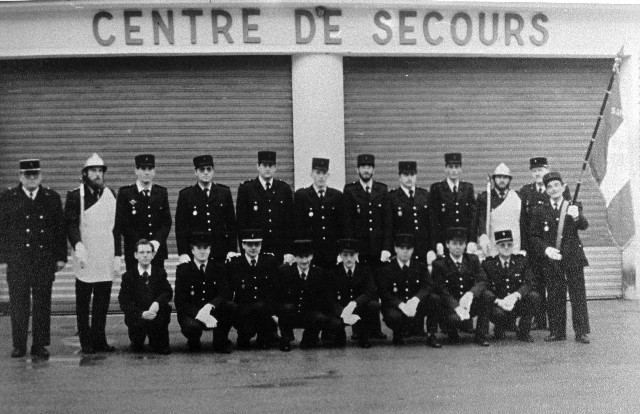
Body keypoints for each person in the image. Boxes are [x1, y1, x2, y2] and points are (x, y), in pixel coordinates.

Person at [0, 159, 67, 359]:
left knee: (42, 304)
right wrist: (3, 259)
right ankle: (19, 345)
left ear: (40, 176)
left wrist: (61, 257)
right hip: (18, 261)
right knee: (18, 304)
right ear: (20, 176)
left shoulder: (51, 197)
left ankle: (39, 345)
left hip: (43, 261)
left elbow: (59, 229)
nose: (31, 179)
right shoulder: (8, 197)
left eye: (35, 175)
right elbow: (2, 230)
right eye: (27, 175)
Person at [65, 153, 119, 354]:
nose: (97, 175)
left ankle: (100, 339)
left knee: (102, 300)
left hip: (105, 253)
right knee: (83, 301)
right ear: (85, 173)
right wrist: (77, 243)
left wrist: (118, 255)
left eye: (100, 171)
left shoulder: (110, 195)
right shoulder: (75, 195)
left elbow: (116, 228)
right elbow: (70, 223)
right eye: (93, 171)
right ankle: (86, 341)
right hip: (85, 255)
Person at [529, 172, 590, 344]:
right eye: (549, 186)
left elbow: (584, 226)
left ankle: (581, 332)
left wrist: (577, 216)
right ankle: (557, 331)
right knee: (555, 294)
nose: (553, 189)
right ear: (546, 190)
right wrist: (546, 249)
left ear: (563, 187)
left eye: (557, 185)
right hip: (552, 258)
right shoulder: (540, 210)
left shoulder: (572, 204)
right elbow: (533, 236)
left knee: (578, 294)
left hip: (573, 256)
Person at [342, 153, 392, 340]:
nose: (366, 170)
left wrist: (387, 248)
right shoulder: (350, 191)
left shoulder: (382, 190)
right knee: (360, 289)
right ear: (357, 170)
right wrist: (350, 251)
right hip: (359, 251)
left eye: (369, 167)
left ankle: (376, 329)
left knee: (377, 289)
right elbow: (347, 223)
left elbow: (387, 222)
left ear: (373, 170)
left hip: (378, 251)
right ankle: (358, 329)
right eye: (363, 167)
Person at [519, 157, 571, 330]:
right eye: (534, 170)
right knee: (538, 285)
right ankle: (540, 320)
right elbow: (523, 222)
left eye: (540, 169)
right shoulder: (526, 191)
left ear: (547, 170)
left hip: (554, 247)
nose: (537, 173)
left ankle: (555, 322)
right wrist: (524, 247)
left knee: (555, 286)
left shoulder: (558, 189)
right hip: (536, 247)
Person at [273, 240, 341, 352]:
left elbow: (326, 299)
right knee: (286, 307)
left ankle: (309, 336)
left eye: (307, 256)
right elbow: (277, 297)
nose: (304, 261)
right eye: (300, 257)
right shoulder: (285, 273)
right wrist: (275, 315)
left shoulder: (319, 274)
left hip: (309, 314)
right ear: (295, 257)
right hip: (291, 314)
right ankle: (286, 338)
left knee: (321, 318)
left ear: (312, 256)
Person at [378, 234, 443, 348]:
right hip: (397, 307)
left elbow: (428, 285)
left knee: (434, 299)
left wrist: (416, 299)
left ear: (412, 250)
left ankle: (431, 334)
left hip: (415, 305)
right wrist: (400, 304)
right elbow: (384, 293)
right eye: (401, 248)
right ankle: (398, 334)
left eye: (408, 248)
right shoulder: (387, 268)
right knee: (393, 316)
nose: (405, 251)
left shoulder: (420, 266)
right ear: (395, 249)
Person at [174, 232, 236, 353]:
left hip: (213, 311)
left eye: (206, 248)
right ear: (192, 250)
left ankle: (220, 342)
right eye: (198, 248)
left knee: (230, 307)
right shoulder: (184, 270)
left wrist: (210, 306)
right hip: (193, 314)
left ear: (210, 250)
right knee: (192, 327)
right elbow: (180, 302)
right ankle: (193, 341)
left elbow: (225, 293)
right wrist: (200, 314)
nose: (202, 251)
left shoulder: (219, 268)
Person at [431, 227, 491, 346]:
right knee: (436, 299)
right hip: (450, 307)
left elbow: (483, 280)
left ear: (465, 245)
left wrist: (470, 294)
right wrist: (456, 306)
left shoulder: (472, 260)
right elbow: (441, 289)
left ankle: (481, 335)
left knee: (487, 295)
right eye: (454, 243)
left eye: (461, 243)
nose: (458, 247)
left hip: (468, 305)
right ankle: (451, 332)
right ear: (447, 245)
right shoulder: (439, 264)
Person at [114, 154, 172, 272]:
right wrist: (141, 246)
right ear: (136, 170)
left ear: (154, 171)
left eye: (150, 169)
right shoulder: (126, 193)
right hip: (135, 251)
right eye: (143, 169)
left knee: (157, 286)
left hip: (156, 251)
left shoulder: (161, 192)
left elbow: (166, 222)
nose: (147, 172)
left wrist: (156, 242)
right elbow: (122, 224)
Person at [175, 155, 237, 265]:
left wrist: (232, 249)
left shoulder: (224, 193)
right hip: (196, 252)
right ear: (196, 172)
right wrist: (183, 252)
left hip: (220, 251)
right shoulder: (186, 195)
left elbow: (231, 224)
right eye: (202, 169)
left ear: (213, 171)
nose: (206, 172)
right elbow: (181, 227)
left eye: (209, 169)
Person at [236, 151, 294, 262]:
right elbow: (241, 223)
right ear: (258, 166)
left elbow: (289, 223)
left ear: (275, 168)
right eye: (264, 165)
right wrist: (245, 251)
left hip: (279, 249)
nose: (268, 168)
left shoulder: (284, 189)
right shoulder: (246, 189)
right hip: (255, 250)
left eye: (271, 165)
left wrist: (289, 251)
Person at [482, 230, 540, 342]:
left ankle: (523, 332)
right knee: (497, 313)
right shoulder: (488, 264)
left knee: (534, 296)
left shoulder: (521, 261)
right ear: (496, 246)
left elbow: (529, 282)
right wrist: (497, 301)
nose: (506, 247)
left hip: (516, 304)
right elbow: (485, 287)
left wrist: (516, 295)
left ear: (513, 245)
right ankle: (499, 328)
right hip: (499, 306)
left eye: (509, 244)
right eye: (502, 245)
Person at [226, 229, 280, 350]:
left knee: (264, 344)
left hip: (264, 312)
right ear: (243, 245)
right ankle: (245, 334)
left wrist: (274, 313)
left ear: (261, 245)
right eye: (250, 244)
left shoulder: (269, 262)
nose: (254, 248)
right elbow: (229, 291)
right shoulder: (234, 264)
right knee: (244, 341)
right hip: (244, 312)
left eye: (257, 244)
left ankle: (265, 335)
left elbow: (275, 290)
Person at [118, 239, 172, 354]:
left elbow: (168, 292)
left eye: (148, 252)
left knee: (161, 348)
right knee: (137, 348)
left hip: (156, 317)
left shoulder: (160, 273)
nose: (145, 255)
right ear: (136, 255)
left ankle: (156, 339)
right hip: (138, 319)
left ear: (153, 255)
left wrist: (157, 303)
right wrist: (141, 314)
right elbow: (124, 301)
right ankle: (138, 338)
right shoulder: (128, 276)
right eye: (142, 252)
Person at [328, 239, 380, 348]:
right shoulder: (334, 272)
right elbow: (330, 298)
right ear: (340, 256)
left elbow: (370, 291)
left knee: (373, 305)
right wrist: (343, 313)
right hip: (341, 309)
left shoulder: (365, 270)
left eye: (352, 255)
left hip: (359, 307)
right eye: (345, 255)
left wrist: (354, 304)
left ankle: (363, 335)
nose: (349, 258)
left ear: (357, 255)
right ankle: (339, 334)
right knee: (336, 331)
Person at [293, 157, 344, 269]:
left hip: (331, 253)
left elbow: (341, 226)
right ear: (312, 174)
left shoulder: (337, 196)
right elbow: (298, 226)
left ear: (328, 175)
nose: (321, 176)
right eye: (318, 173)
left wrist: (340, 251)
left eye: (324, 173)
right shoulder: (302, 196)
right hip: (310, 253)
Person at [429, 153, 477, 255]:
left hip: (463, 242)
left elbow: (472, 217)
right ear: (445, 169)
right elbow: (433, 218)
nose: (454, 170)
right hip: (445, 241)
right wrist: (436, 242)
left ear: (461, 169)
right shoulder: (437, 188)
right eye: (451, 167)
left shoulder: (468, 188)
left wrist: (472, 240)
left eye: (457, 167)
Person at [475, 163, 522, 258]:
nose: (502, 180)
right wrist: (483, 234)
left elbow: (522, 222)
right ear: (494, 179)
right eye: (499, 177)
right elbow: (481, 218)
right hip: (493, 243)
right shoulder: (485, 197)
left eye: (505, 177)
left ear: (509, 180)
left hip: (512, 243)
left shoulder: (517, 197)